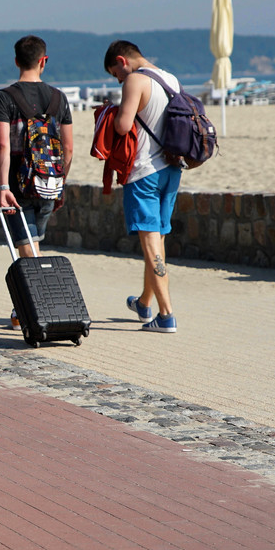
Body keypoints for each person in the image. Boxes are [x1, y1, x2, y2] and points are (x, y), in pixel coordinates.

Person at [0, 35, 74, 329]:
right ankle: (22, 308)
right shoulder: (59, 98)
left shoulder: (5, 97)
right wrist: (60, 181)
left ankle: (39, 311)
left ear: (16, 61)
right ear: (43, 61)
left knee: (28, 250)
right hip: (50, 183)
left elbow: (2, 146)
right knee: (34, 245)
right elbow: (69, 148)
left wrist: (2, 187)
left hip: (18, 184)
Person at [103, 40, 183, 333]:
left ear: (122, 61)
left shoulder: (135, 80)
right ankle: (144, 303)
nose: (119, 79)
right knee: (158, 239)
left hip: (144, 172)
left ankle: (166, 316)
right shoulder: (169, 78)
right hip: (172, 169)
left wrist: (108, 114)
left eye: (116, 74)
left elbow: (123, 126)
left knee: (151, 244)